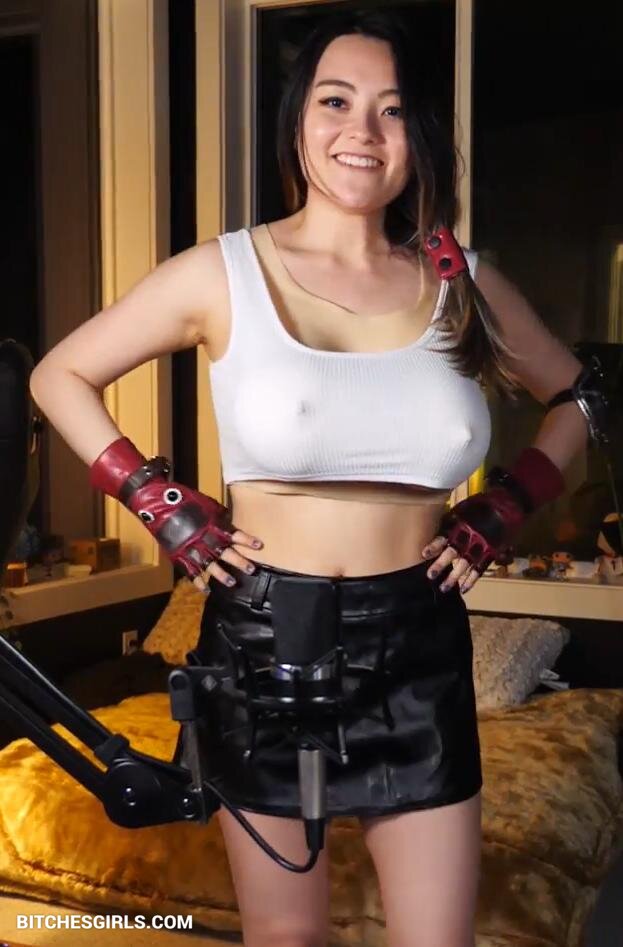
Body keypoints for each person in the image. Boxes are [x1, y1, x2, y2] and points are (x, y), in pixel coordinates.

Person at [28, 10, 592, 947]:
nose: (361, 131)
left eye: (392, 109)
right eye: (336, 101)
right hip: (262, 636)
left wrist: (505, 508)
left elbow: (580, 396)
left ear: (419, 135)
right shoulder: (222, 272)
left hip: (417, 640)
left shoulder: (460, 281)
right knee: (287, 938)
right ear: (297, 119)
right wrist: (162, 506)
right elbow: (59, 375)